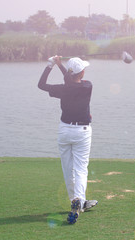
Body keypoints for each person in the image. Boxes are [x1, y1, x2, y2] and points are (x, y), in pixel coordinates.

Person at [38, 55, 97, 224]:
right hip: (82, 132)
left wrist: (52, 65)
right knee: (80, 169)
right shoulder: (88, 86)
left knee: (67, 168)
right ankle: (79, 199)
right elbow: (72, 80)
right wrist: (60, 65)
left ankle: (76, 201)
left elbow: (41, 85)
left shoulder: (63, 89)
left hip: (64, 131)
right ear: (83, 72)